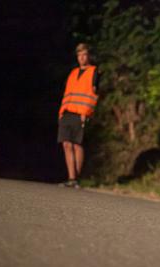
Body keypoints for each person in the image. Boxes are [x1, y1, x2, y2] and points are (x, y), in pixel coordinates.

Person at [57, 43, 99, 187]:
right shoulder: (73, 73)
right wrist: (61, 112)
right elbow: (67, 93)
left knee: (77, 144)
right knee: (66, 144)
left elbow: (94, 95)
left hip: (81, 113)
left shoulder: (94, 72)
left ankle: (76, 179)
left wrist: (86, 112)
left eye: (84, 55)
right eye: (79, 55)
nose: (81, 58)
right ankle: (71, 178)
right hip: (67, 112)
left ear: (88, 56)